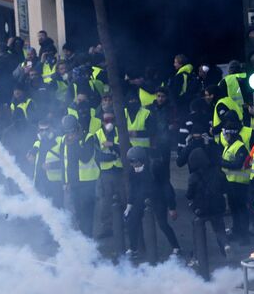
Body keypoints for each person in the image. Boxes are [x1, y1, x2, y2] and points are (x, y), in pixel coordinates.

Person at [124, 146, 181, 257]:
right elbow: (133, 189)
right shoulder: (132, 171)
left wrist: (172, 207)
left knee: (162, 224)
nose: (132, 164)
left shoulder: (155, 167)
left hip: (158, 197)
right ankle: (133, 249)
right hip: (142, 197)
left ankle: (176, 247)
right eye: (130, 162)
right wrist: (129, 207)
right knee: (132, 220)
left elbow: (166, 186)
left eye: (134, 161)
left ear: (141, 159)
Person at [186, 148, 231, 258]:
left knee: (197, 226)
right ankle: (225, 246)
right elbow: (225, 187)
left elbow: (189, 194)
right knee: (219, 228)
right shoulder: (217, 172)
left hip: (202, 208)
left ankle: (198, 254)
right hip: (218, 205)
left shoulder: (194, 177)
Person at [60, 115, 99, 237]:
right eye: (67, 132)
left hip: (87, 182)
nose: (69, 135)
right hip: (72, 183)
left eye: (71, 131)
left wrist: (75, 142)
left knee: (87, 213)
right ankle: (81, 240)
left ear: (77, 128)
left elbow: (85, 158)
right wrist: (64, 182)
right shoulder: (63, 139)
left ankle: (88, 240)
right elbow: (63, 162)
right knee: (77, 214)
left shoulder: (88, 137)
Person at [220, 119, 251, 245]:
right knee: (234, 210)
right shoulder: (230, 145)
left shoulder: (239, 147)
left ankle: (245, 236)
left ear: (231, 134)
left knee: (241, 211)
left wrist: (221, 163)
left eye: (226, 134)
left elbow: (238, 164)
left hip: (240, 184)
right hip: (232, 184)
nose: (225, 137)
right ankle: (237, 232)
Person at [95, 110, 123, 238]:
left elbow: (125, 148)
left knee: (123, 199)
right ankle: (107, 228)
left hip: (120, 171)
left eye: (112, 120)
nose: (109, 123)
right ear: (102, 121)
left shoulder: (121, 132)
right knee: (105, 202)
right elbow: (97, 155)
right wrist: (113, 156)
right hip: (105, 172)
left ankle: (124, 225)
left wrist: (111, 145)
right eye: (106, 120)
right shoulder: (97, 134)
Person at [29, 118, 63, 207]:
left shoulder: (60, 141)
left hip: (56, 182)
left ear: (51, 129)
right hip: (41, 180)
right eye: (41, 130)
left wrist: (52, 165)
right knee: (45, 207)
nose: (44, 132)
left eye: (46, 129)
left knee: (57, 207)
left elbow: (67, 161)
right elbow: (34, 149)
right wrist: (31, 154)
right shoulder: (38, 142)